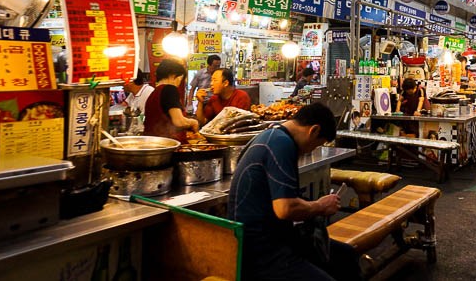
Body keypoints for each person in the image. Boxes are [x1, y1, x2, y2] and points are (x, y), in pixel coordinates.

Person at [228, 103, 361, 280]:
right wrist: (320, 206)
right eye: (315, 145)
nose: (310, 151)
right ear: (313, 130)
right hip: (258, 250)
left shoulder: (272, 134)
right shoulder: (281, 144)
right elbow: (285, 208)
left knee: (346, 255)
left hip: (277, 237)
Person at [144, 59, 198, 143]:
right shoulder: (170, 89)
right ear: (173, 75)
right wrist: (193, 122)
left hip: (153, 143)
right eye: (180, 79)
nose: (179, 83)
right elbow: (179, 122)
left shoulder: (154, 93)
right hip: (169, 145)